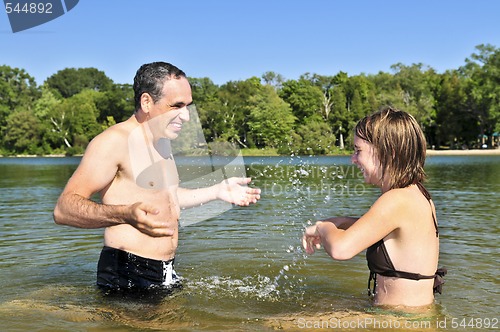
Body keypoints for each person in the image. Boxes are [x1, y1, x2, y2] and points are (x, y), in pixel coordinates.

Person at [53, 62, 261, 296]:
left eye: (188, 106)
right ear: (146, 102)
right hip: (128, 272)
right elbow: (64, 209)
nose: (186, 116)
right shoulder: (113, 142)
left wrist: (217, 191)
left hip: (164, 269)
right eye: (177, 106)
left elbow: (168, 198)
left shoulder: (162, 141)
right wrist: (124, 214)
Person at [302, 107, 446, 307]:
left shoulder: (397, 200)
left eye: (358, 151)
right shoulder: (417, 194)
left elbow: (340, 249)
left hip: (399, 323)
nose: (353, 159)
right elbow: (387, 231)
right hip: (411, 318)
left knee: (280, 323)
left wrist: (321, 227)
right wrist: (339, 222)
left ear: (389, 153)